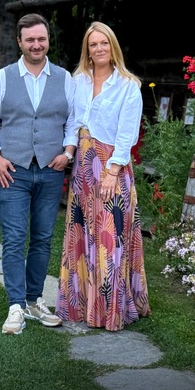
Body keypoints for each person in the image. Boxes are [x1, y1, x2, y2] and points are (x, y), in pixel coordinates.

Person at [0, 13, 77, 335]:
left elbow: (73, 121)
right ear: (20, 42)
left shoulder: (64, 78)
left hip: (51, 171)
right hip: (13, 172)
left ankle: (34, 300)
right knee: (14, 238)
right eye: (30, 40)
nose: (37, 45)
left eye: (41, 39)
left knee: (42, 238)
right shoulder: (3, 77)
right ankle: (15, 306)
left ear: (48, 40)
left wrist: (67, 153)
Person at [55, 21, 151, 331]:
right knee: (81, 235)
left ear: (113, 47)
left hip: (111, 167)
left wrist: (112, 171)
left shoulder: (128, 85)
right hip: (83, 168)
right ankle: (82, 305)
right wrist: (68, 154)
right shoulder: (78, 81)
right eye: (93, 44)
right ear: (87, 50)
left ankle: (109, 310)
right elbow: (73, 123)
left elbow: (127, 133)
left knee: (110, 236)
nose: (99, 49)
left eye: (104, 43)